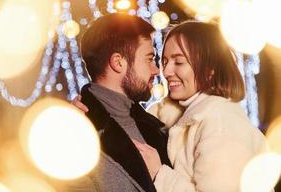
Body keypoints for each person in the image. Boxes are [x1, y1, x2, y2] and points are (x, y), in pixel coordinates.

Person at [133, 21, 268, 192]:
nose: (166, 72)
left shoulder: (221, 125)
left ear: (210, 68)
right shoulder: (177, 117)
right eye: (165, 61)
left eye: (179, 62)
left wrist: (159, 174)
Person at [68, 13, 174, 192]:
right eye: (149, 59)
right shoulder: (75, 135)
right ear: (118, 62)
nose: (156, 70)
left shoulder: (153, 125)